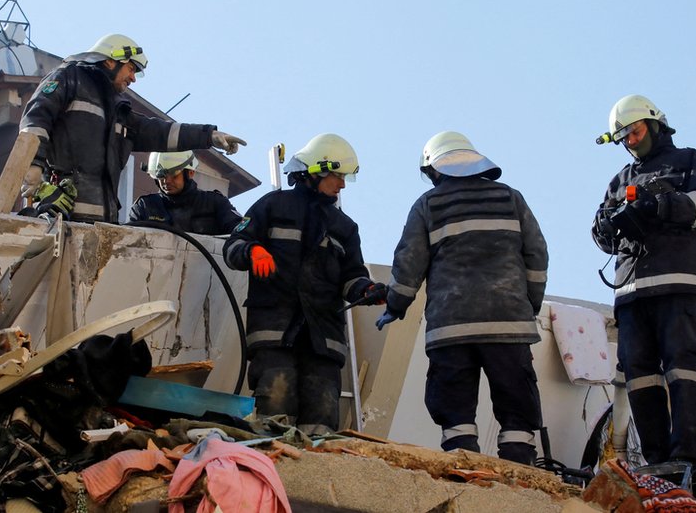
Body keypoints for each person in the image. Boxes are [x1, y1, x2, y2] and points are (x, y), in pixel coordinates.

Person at [376, 131, 548, 466]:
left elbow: (409, 262)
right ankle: (519, 470)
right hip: (508, 325)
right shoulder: (510, 198)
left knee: (455, 410)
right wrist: (528, 305)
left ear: (434, 169)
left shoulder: (428, 204)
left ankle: (464, 469)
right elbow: (537, 255)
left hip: (450, 328)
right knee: (516, 404)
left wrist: (395, 305)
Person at [222, 133, 387, 435]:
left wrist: (366, 290)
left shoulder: (344, 227)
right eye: (338, 176)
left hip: (322, 339)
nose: (342, 184)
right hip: (274, 330)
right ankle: (274, 462)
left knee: (321, 415)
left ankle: (312, 466)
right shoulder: (272, 206)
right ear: (316, 171)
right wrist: (252, 251)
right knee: (275, 406)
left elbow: (352, 275)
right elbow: (234, 245)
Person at [591, 94, 696, 468]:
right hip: (631, 293)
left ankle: (686, 457)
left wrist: (660, 205)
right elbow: (600, 234)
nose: (632, 141)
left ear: (655, 125)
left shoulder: (689, 161)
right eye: (625, 138)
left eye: (636, 131)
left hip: (679, 283)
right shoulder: (620, 180)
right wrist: (608, 226)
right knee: (638, 371)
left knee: (682, 363)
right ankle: (656, 461)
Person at [18, 33, 246, 223]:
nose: (133, 78)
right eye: (131, 69)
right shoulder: (68, 78)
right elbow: (35, 119)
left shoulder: (118, 112)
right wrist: (33, 166)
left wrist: (210, 136)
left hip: (102, 223)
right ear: (111, 61)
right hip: (60, 215)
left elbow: (162, 132)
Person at [128, 151, 242, 234]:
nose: (166, 181)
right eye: (161, 176)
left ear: (190, 173)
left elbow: (240, 233)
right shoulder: (145, 207)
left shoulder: (214, 203)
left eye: (174, 175)